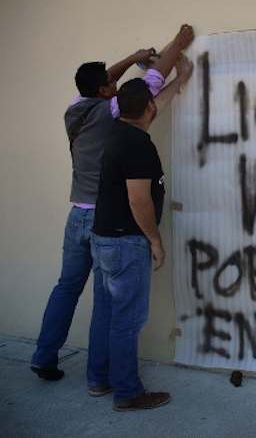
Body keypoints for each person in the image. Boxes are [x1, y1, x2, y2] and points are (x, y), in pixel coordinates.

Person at [30, 25, 195, 384]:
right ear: (106, 92)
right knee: (107, 304)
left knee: (66, 287)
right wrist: (178, 43)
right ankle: (100, 378)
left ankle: (44, 356)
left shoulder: (75, 110)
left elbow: (102, 82)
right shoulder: (115, 112)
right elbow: (155, 79)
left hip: (76, 216)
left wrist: (133, 57)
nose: (115, 82)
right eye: (110, 82)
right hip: (104, 221)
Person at [90, 55, 193, 411]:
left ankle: (99, 378)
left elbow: (154, 106)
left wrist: (180, 82)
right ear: (146, 107)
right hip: (126, 242)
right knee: (127, 321)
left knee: (106, 315)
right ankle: (128, 392)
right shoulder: (137, 145)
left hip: (104, 238)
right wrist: (155, 240)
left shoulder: (120, 130)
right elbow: (139, 200)